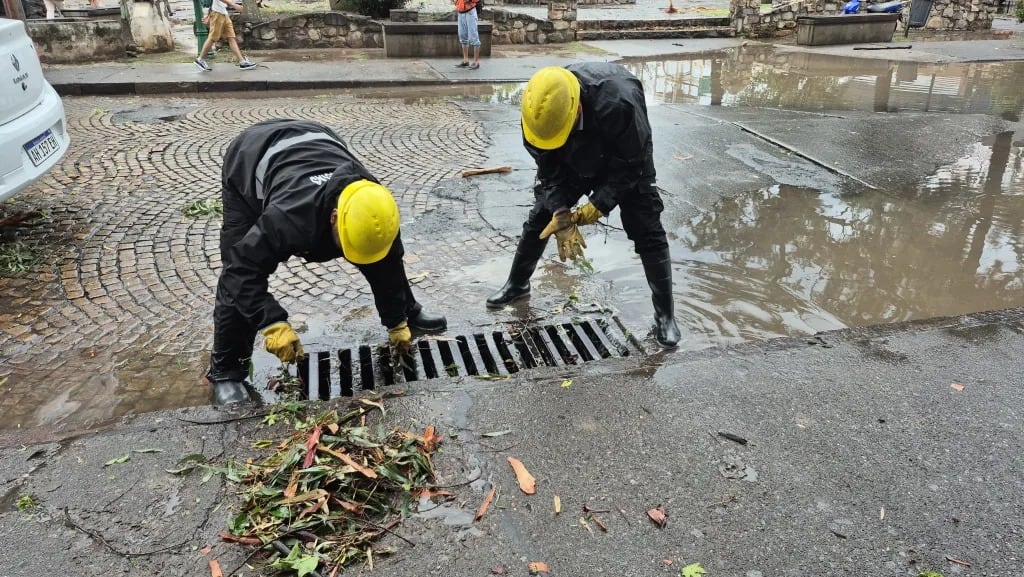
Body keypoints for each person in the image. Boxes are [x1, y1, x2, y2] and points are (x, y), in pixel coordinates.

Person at [207, 119, 448, 404]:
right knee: (236, 262)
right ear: (334, 218)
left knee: (383, 257)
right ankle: (226, 372)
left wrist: (397, 320)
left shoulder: (373, 204)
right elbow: (241, 271)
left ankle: (409, 312)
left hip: (319, 138)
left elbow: (389, 264)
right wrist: (271, 322)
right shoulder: (288, 218)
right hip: (250, 156)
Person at [486, 63, 682, 348]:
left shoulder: (620, 102)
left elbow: (632, 163)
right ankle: (517, 284)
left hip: (625, 156)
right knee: (540, 217)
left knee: (646, 224)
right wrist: (559, 210)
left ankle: (665, 316)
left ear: (577, 108)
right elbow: (547, 170)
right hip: (571, 155)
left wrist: (599, 204)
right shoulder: (538, 114)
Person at [194, 0, 255, 71]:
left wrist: (208, 15)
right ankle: (200, 59)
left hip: (223, 14)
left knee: (231, 37)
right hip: (218, 14)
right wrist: (234, 5)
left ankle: (242, 62)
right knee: (212, 38)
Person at [454, 0, 480, 70]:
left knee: (473, 37)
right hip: (460, 13)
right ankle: (466, 60)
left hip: (470, 12)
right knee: (462, 36)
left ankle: (476, 62)